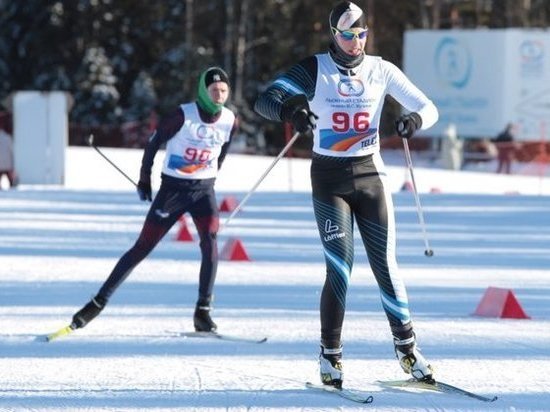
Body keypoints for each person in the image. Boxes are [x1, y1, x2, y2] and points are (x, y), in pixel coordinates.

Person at [254, 1, 438, 388]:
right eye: (348, 34)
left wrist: (413, 119)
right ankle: (330, 355)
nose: (356, 42)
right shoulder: (314, 68)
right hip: (329, 178)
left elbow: (429, 107)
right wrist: (294, 111)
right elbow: (265, 99)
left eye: (361, 34)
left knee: (386, 265)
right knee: (340, 268)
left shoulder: (380, 69)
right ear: (333, 34)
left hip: (370, 176)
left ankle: (407, 349)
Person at [71, 67, 237, 333]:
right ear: (203, 91)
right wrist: (144, 179)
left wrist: (212, 175)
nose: (219, 95)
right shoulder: (183, 115)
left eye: (224, 91)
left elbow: (223, 151)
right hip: (173, 190)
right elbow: (153, 143)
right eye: (214, 90)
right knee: (143, 246)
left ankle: (203, 311)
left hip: (204, 191)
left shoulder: (230, 119)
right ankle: (97, 302)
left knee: (211, 242)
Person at [0, 118, 17, 189]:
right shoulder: (8, 137)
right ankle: (12, 187)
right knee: (11, 182)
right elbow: (11, 151)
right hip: (7, 163)